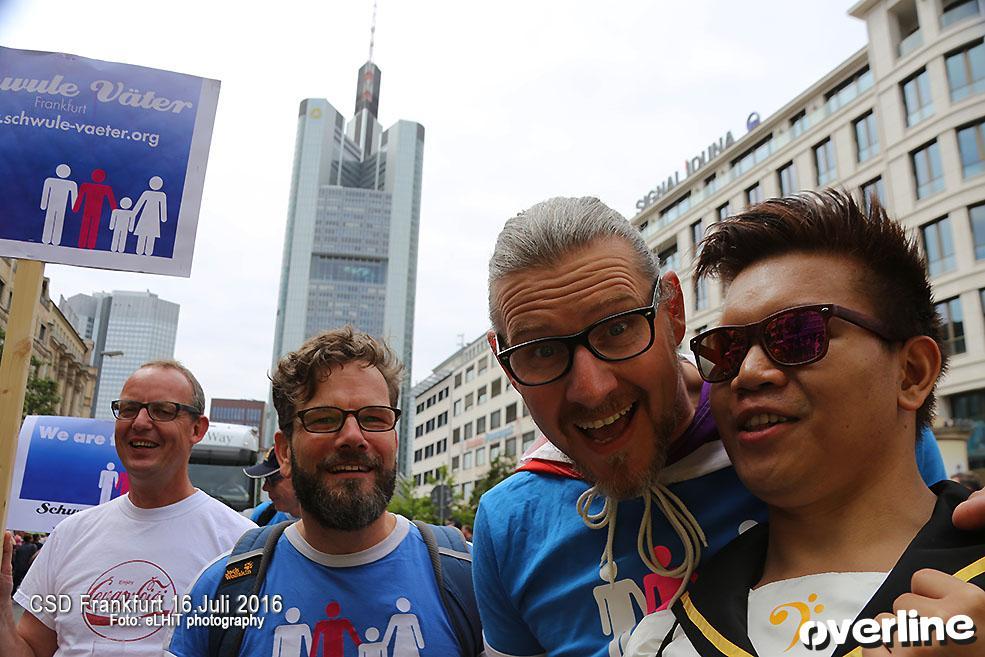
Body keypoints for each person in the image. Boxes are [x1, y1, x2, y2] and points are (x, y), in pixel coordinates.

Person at [471, 196, 965, 657]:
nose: (592, 389)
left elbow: (926, 526)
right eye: (540, 350)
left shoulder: (807, 438)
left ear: (673, 314)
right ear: (504, 363)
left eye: (618, 327)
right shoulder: (509, 523)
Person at [627, 190, 985, 655]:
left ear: (912, 372)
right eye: (726, 350)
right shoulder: (665, 639)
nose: (749, 374)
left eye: (797, 335)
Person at [165, 326, 480, 657]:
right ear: (284, 452)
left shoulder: (472, 578)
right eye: (324, 419)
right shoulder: (218, 590)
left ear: (395, 441)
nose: (353, 437)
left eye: (374, 418)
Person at [1, 360, 256, 657]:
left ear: (197, 428)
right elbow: (31, 650)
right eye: (128, 409)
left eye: (162, 410)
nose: (140, 423)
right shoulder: (69, 534)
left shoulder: (241, 544)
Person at [245, 447, 301, 525]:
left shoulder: (322, 523)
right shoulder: (264, 513)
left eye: (272, 479)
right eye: (265, 479)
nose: (265, 488)